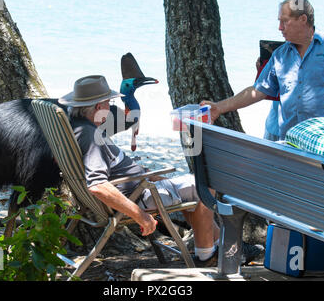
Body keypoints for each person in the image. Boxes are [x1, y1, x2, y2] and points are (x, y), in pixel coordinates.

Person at [59, 75, 220, 266]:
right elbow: (98, 185)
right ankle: (208, 255)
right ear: (98, 107)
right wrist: (140, 216)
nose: (110, 108)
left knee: (190, 190)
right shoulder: (92, 137)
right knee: (204, 186)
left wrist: (146, 173)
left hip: (139, 185)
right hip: (140, 195)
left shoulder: (76, 127)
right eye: (108, 103)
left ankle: (222, 247)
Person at [202, 0, 324, 140]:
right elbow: (258, 91)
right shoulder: (280, 55)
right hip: (291, 141)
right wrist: (219, 107)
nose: (280, 28)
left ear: (303, 19)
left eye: (284, 21)